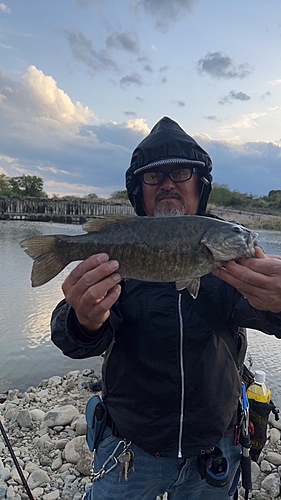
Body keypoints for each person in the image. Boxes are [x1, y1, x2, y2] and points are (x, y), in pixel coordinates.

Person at [51, 116, 281, 500]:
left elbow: (272, 320)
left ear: (199, 185)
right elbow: (73, 342)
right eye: (154, 177)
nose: (169, 183)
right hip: (131, 448)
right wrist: (82, 320)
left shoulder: (231, 263)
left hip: (215, 447)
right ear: (138, 190)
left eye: (180, 173)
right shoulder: (118, 250)